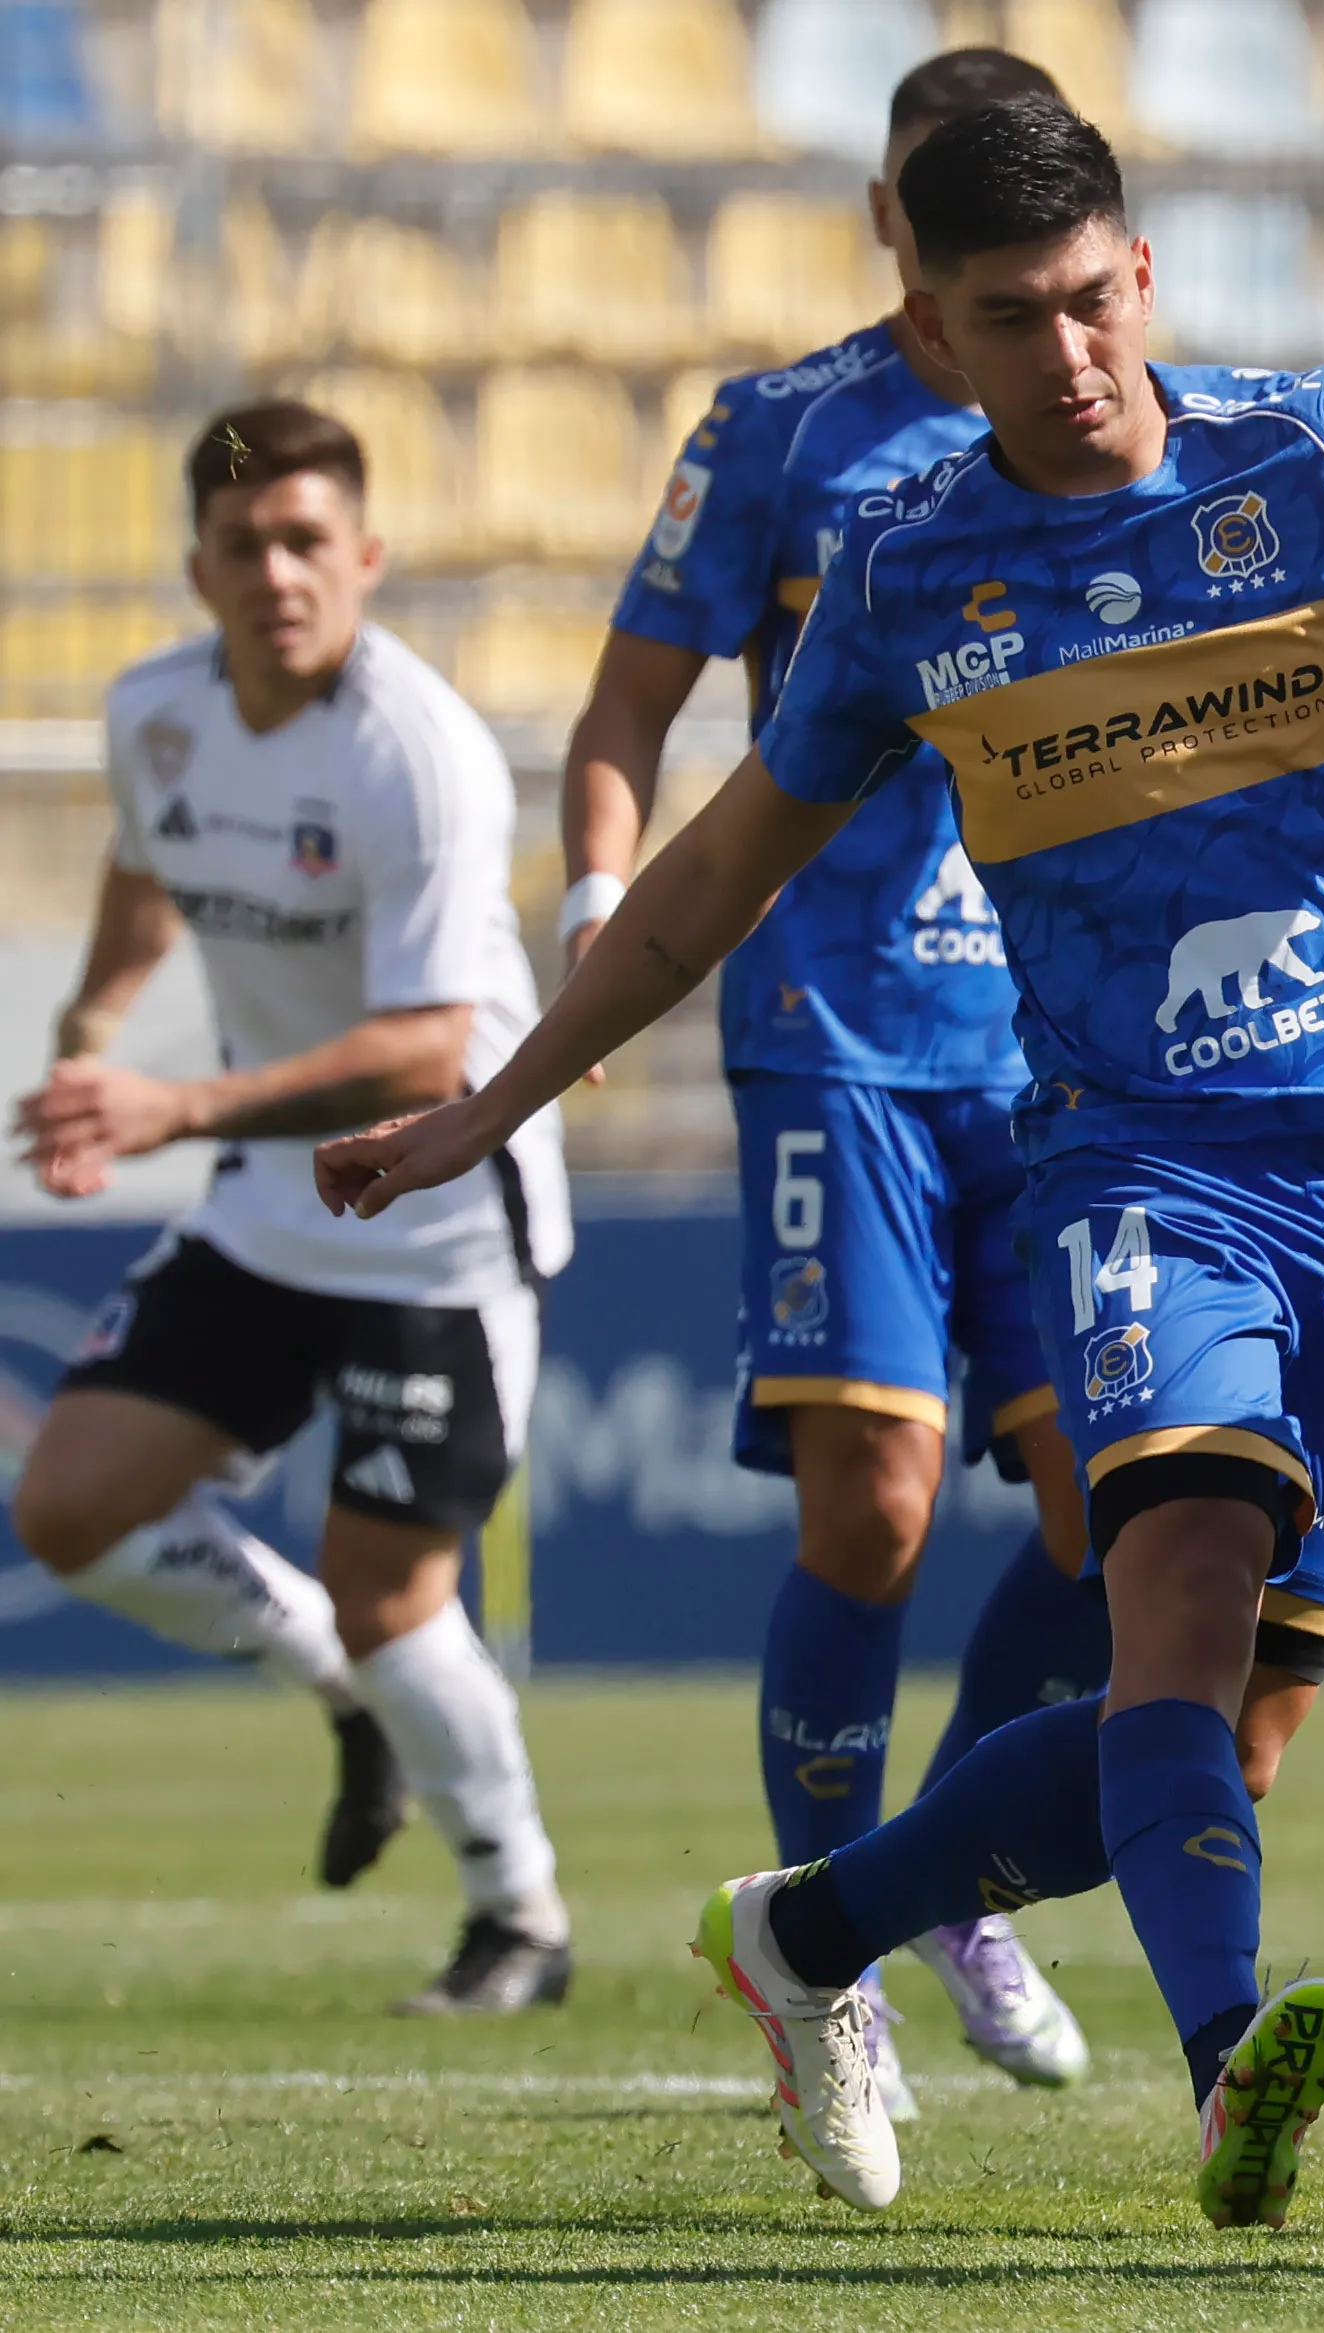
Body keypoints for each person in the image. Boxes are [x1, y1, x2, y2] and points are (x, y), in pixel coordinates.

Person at [316, 97, 1324, 2224]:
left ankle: (812, 1929)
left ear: (1146, 275)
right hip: (1138, 1174)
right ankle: (1231, 2076)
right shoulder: (910, 572)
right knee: (1177, 1609)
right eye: (1010, 316)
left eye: (1095, 297)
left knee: (1212, 1742)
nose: (1070, 351)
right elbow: (708, 879)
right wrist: (496, 1096)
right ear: (929, 319)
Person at [564, 44, 1100, 2113]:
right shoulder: (784, 431)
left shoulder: (1112, 423)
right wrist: (598, 898)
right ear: (891, 208)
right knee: (874, 1503)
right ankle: (828, 1957)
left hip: (1068, 1045)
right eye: (917, 186)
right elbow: (630, 697)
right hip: (841, 1025)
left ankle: (938, 1872)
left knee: (1108, 1510)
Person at [12, 403, 575, 2015]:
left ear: (367, 559)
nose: (277, 573)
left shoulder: (420, 751)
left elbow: (424, 1045)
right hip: (271, 1203)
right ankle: (335, 1686)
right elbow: (149, 864)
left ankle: (518, 1918)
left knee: (394, 1590)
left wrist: (172, 1106)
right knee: (68, 1509)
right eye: (246, 546)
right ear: (196, 566)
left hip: (440, 1211)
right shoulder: (157, 716)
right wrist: (88, 1036)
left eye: (308, 542)